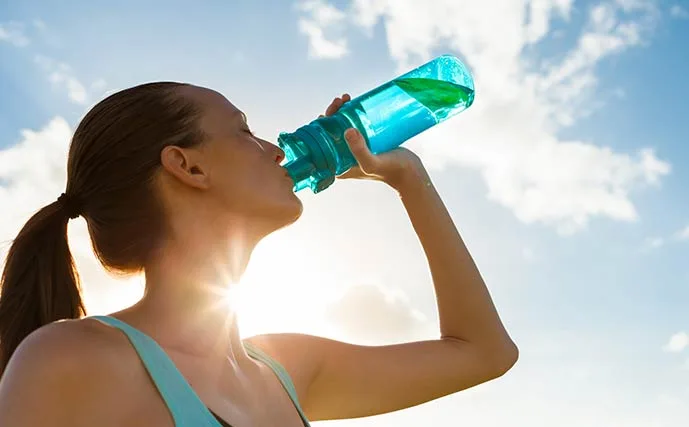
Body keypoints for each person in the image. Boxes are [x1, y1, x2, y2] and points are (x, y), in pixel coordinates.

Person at [0, 82, 518, 426]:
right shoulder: (73, 359)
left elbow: (484, 353)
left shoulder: (286, 367)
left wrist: (410, 180)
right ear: (189, 167)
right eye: (244, 130)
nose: (275, 148)